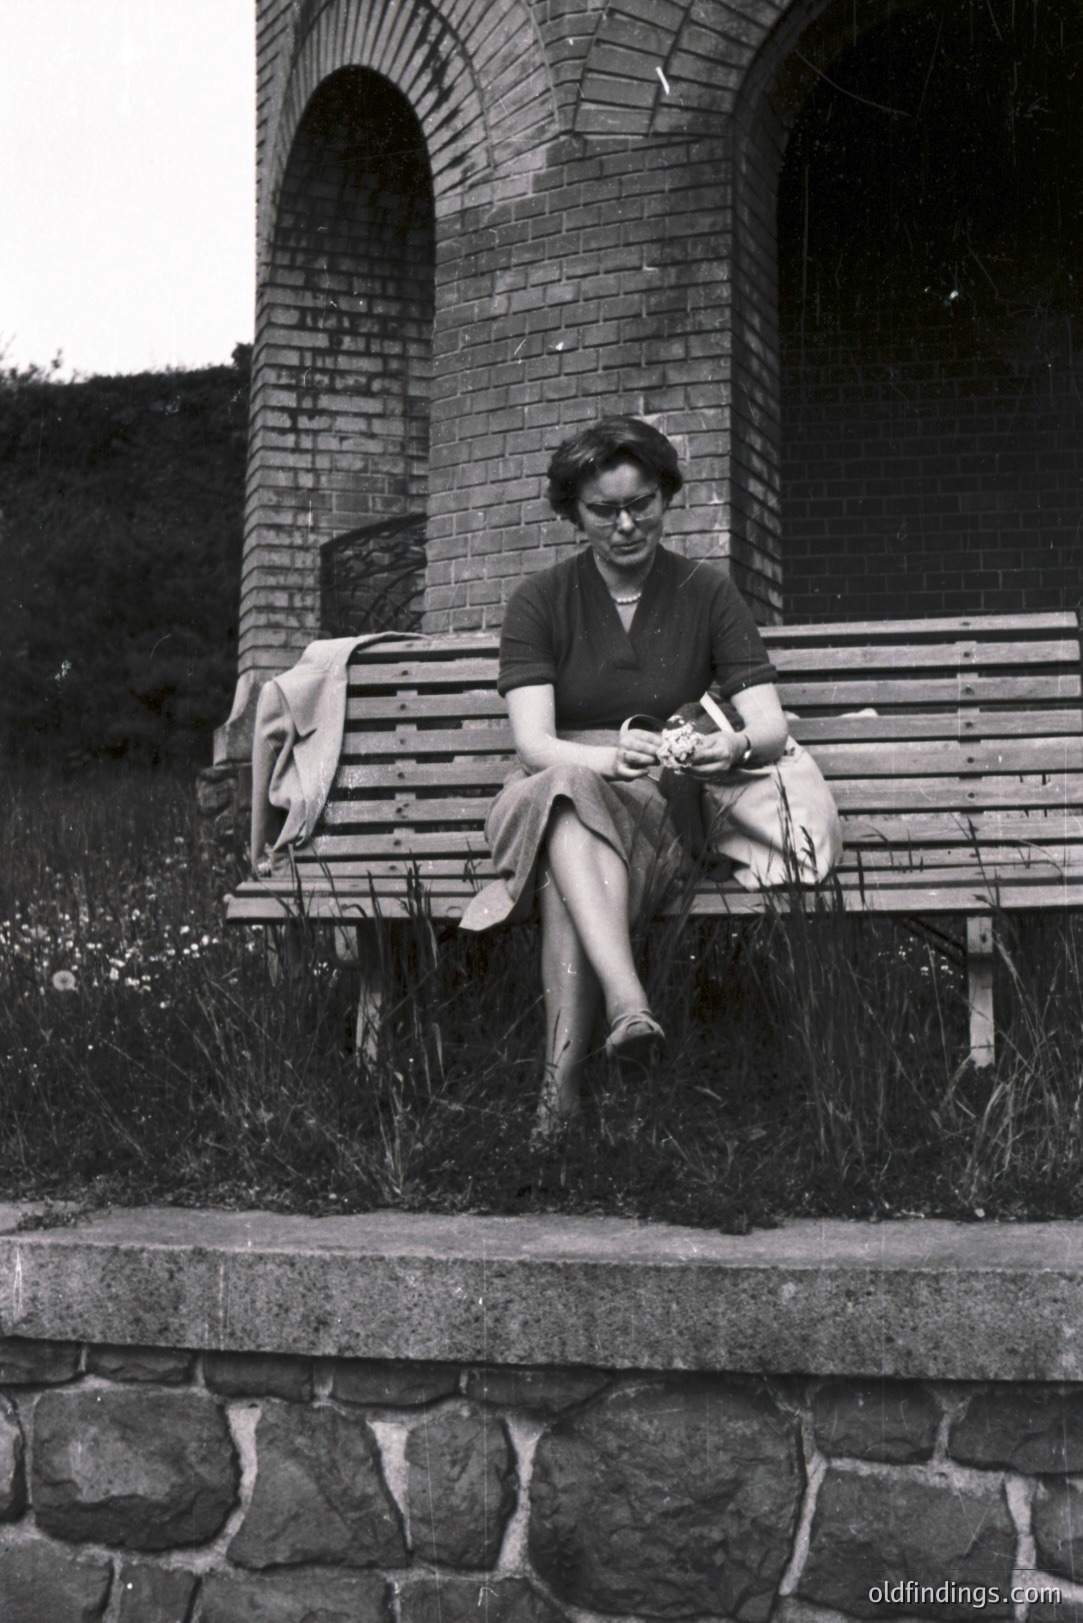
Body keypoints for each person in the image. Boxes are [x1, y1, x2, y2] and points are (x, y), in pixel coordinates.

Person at [459, 417, 841, 1136]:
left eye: (644, 502)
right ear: (572, 511)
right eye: (604, 509)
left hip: (655, 814)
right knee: (563, 796)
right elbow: (536, 745)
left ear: (667, 495)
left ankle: (558, 1096)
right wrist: (607, 758)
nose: (627, 523)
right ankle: (628, 1004)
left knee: (565, 860)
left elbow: (769, 726)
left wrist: (722, 749)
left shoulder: (706, 592)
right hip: (551, 790)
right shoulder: (539, 600)